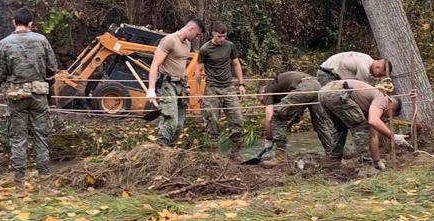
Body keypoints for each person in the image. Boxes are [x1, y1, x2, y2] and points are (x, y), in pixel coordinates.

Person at [0, 8, 59, 188]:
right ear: (31, 24)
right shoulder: (42, 40)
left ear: (14, 22)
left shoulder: (4, 43)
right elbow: (52, 68)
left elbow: (0, 72)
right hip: (39, 95)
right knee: (41, 137)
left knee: (18, 139)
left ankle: (19, 187)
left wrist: (5, 85)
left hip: (16, 97)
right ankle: (45, 185)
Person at [259, 69, 341, 165]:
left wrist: (268, 139)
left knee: (277, 116)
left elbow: (269, 117)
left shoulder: (268, 90)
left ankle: (280, 158)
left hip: (304, 87)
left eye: (261, 100)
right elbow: (297, 114)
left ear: (262, 93)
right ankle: (333, 155)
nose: (263, 103)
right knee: (320, 122)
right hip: (316, 84)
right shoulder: (282, 87)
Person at [317, 77, 401, 169]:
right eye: (389, 115)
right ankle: (366, 165)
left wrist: (377, 161)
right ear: (390, 108)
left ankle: (333, 162)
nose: (386, 117)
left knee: (340, 128)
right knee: (361, 126)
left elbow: (373, 135)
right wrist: (394, 136)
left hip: (324, 92)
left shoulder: (370, 104)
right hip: (338, 92)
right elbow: (373, 121)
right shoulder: (382, 99)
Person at [145, 18, 203, 146]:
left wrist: (186, 86)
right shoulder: (169, 40)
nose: (197, 38)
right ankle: (160, 149)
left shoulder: (187, 44)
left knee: (179, 124)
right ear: (191, 29)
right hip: (168, 85)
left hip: (180, 85)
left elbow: (181, 66)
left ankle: (169, 152)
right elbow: (154, 65)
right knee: (171, 120)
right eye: (197, 34)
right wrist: (151, 89)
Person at [197, 23, 247, 159]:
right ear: (213, 33)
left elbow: (236, 64)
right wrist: (198, 92)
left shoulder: (230, 46)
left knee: (237, 118)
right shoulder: (205, 49)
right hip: (212, 88)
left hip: (228, 87)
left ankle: (235, 153)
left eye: (224, 36)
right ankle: (215, 153)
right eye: (219, 36)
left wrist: (241, 84)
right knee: (212, 120)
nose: (222, 39)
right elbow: (198, 71)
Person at [318, 50, 390, 85]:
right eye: (380, 74)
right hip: (327, 74)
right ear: (378, 67)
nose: (378, 77)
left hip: (328, 70)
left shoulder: (366, 58)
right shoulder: (364, 67)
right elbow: (362, 88)